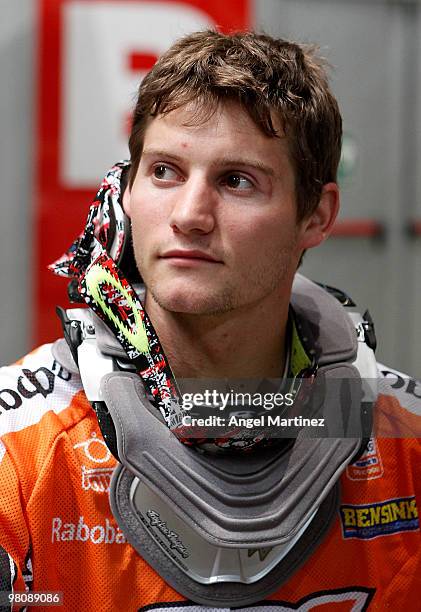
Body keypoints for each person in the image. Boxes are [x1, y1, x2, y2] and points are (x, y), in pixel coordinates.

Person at [0, 30, 420, 611]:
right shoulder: (19, 447)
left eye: (237, 181)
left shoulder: (405, 445)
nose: (190, 216)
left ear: (317, 216)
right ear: (127, 191)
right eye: (165, 172)